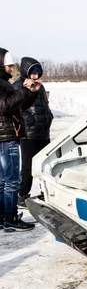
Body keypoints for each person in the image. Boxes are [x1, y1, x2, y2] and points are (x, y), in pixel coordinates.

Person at [0, 47, 37, 231]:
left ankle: (2, 217)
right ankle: (11, 218)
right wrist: (23, 90)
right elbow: (5, 107)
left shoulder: (5, 83)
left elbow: (18, 105)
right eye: (8, 66)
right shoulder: (1, 84)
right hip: (6, 136)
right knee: (12, 180)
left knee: (2, 180)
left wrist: (31, 92)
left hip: (5, 136)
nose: (11, 69)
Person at [12, 57, 53, 207]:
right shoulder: (18, 86)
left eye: (38, 72)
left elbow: (44, 104)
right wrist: (29, 121)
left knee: (46, 163)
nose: (36, 75)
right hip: (29, 133)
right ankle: (23, 195)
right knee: (28, 165)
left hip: (43, 130)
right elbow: (16, 107)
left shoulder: (39, 86)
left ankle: (46, 192)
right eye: (33, 72)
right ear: (25, 71)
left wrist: (49, 116)